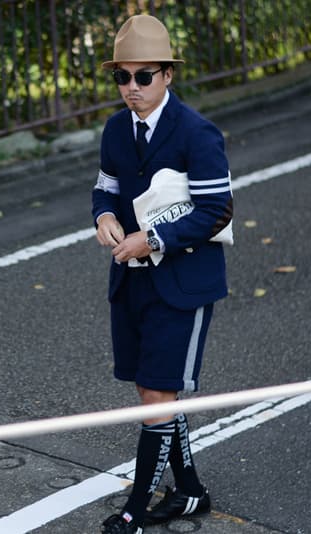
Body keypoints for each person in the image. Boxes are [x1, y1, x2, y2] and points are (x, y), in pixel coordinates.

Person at [92, 14, 234, 534]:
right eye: (122, 77)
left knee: (157, 394)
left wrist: (151, 239)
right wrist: (104, 216)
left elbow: (218, 210)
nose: (131, 88)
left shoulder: (197, 132)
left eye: (143, 76)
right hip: (131, 280)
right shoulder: (114, 129)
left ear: (168, 75)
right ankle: (191, 492)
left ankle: (137, 507)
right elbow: (105, 187)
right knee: (152, 391)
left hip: (183, 283)